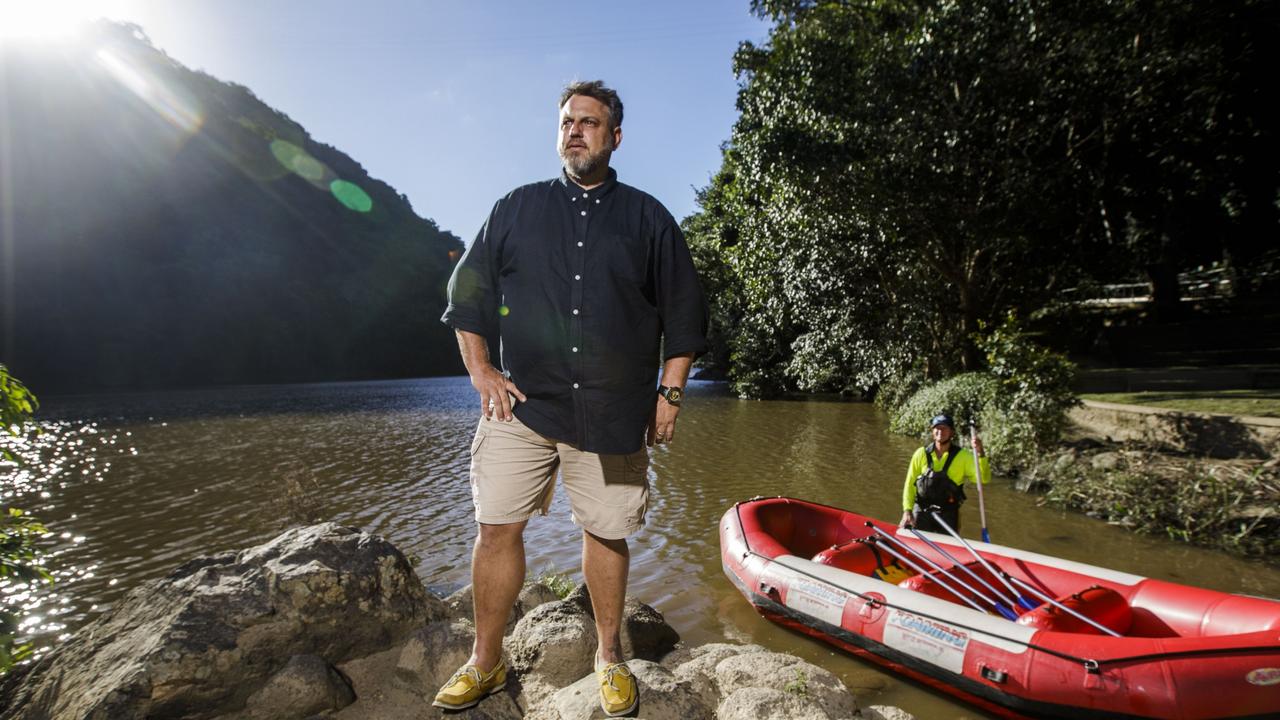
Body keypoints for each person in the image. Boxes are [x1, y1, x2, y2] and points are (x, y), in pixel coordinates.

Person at [434, 80, 708, 716]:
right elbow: (467, 295)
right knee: (496, 527)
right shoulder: (514, 208)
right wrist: (480, 370)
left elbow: (684, 313)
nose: (575, 131)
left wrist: (670, 392)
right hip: (522, 405)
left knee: (607, 532)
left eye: (589, 122)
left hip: (614, 408)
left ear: (615, 136)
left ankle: (608, 656)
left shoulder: (649, 218)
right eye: (567, 122)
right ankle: (485, 660)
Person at [899, 414, 989, 533]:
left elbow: (983, 479)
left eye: (944, 428)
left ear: (952, 433)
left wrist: (980, 454)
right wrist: (907, 511)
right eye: (937, 428)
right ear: (932, 431)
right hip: (922, 511)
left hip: (948, 514)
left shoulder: (963, 456)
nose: (940, 431)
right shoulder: (921, 454)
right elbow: (909, 484)